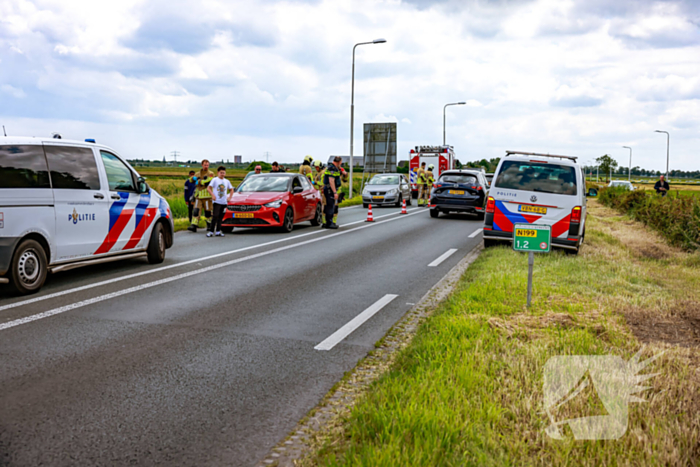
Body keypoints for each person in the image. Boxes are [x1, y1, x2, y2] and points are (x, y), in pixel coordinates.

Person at [206, 166, 234, 237]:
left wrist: (230, 197)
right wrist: (212, 195)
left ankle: (218, 231)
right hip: (216, 201)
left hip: (224, 202)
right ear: (218, 173)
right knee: (215, 216)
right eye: (221, 173)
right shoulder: (215, 180)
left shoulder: (227, 181)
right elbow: (208, 188)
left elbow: (231, 189)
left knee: (221, 217)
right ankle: (211, 231)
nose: (222, 174)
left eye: (224, 173)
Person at [187, 160, 214, 232]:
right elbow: (190, 180)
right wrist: (193, 178)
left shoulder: (211, 173)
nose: (206, 166)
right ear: (202, 165)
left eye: (207, 165)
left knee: (208, 211)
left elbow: (209, 181)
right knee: (196, 210)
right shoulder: (197, 173)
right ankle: (194, 225)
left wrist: (199, 181)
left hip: (207, 196)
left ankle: (209, 224)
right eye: (205, 165)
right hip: (198, 196)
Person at [322, 156, 342, 229]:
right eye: (341, 162)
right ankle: (329, 223)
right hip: (330, 190)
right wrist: (335, 192)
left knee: (329, 206)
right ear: (339, 162)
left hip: (328, 189)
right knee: (330, 206)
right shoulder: (332, 168)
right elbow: (331, 180)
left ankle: (327, 222)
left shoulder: (331, 167)